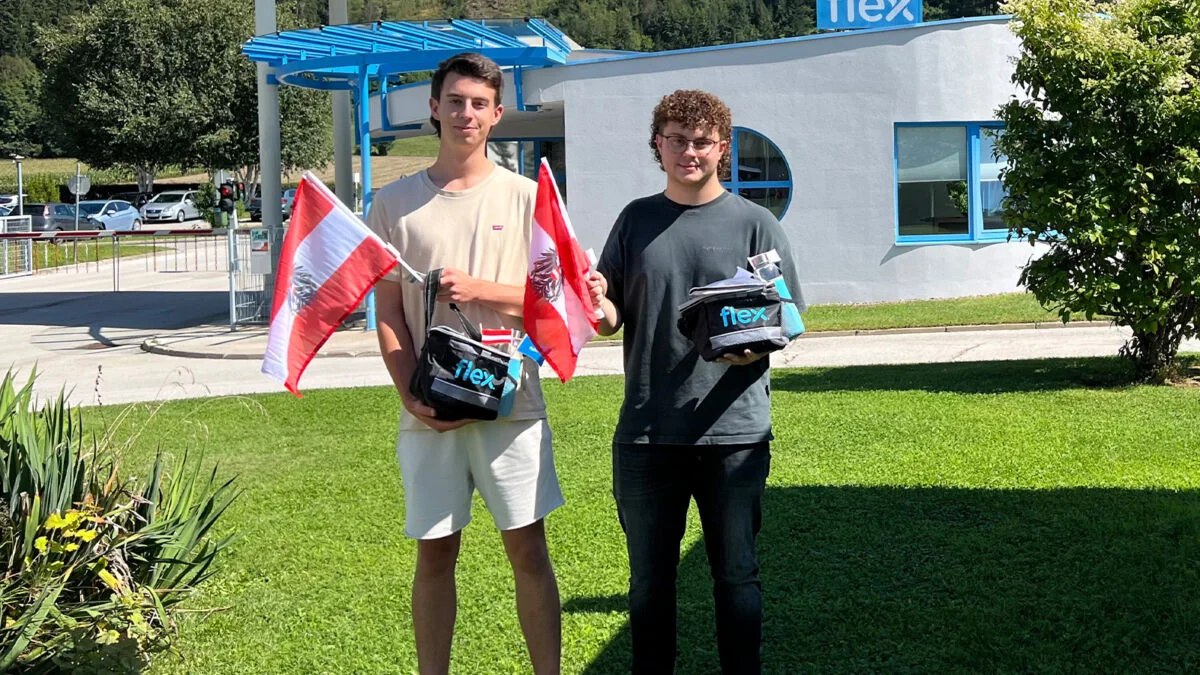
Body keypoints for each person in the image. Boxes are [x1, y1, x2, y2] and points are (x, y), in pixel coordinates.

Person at [588, 89, 805, 674]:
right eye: (677, 140)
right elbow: (609, 320)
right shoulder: (635, 220)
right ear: (657, 145)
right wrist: (594, 298)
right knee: (649, 584)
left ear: (722, 148)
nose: (689, 151)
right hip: (647, 432)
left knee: (737, 576)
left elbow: (788, 318)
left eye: (702, 141)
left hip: (734, 433)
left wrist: (756, 345)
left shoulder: (755, 224)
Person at [367, 52, 563, 675]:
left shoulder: (528, 197)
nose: (465, 114)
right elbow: (388, 314)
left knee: (528, 551)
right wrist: (410, 395)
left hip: (512, 404)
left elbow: (554, 303)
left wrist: (481, 289)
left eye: (479, 103)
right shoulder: (393, 203)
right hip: (430, 410)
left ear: (497, 114)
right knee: (434, 556)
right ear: (434, 107)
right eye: (455, 101)